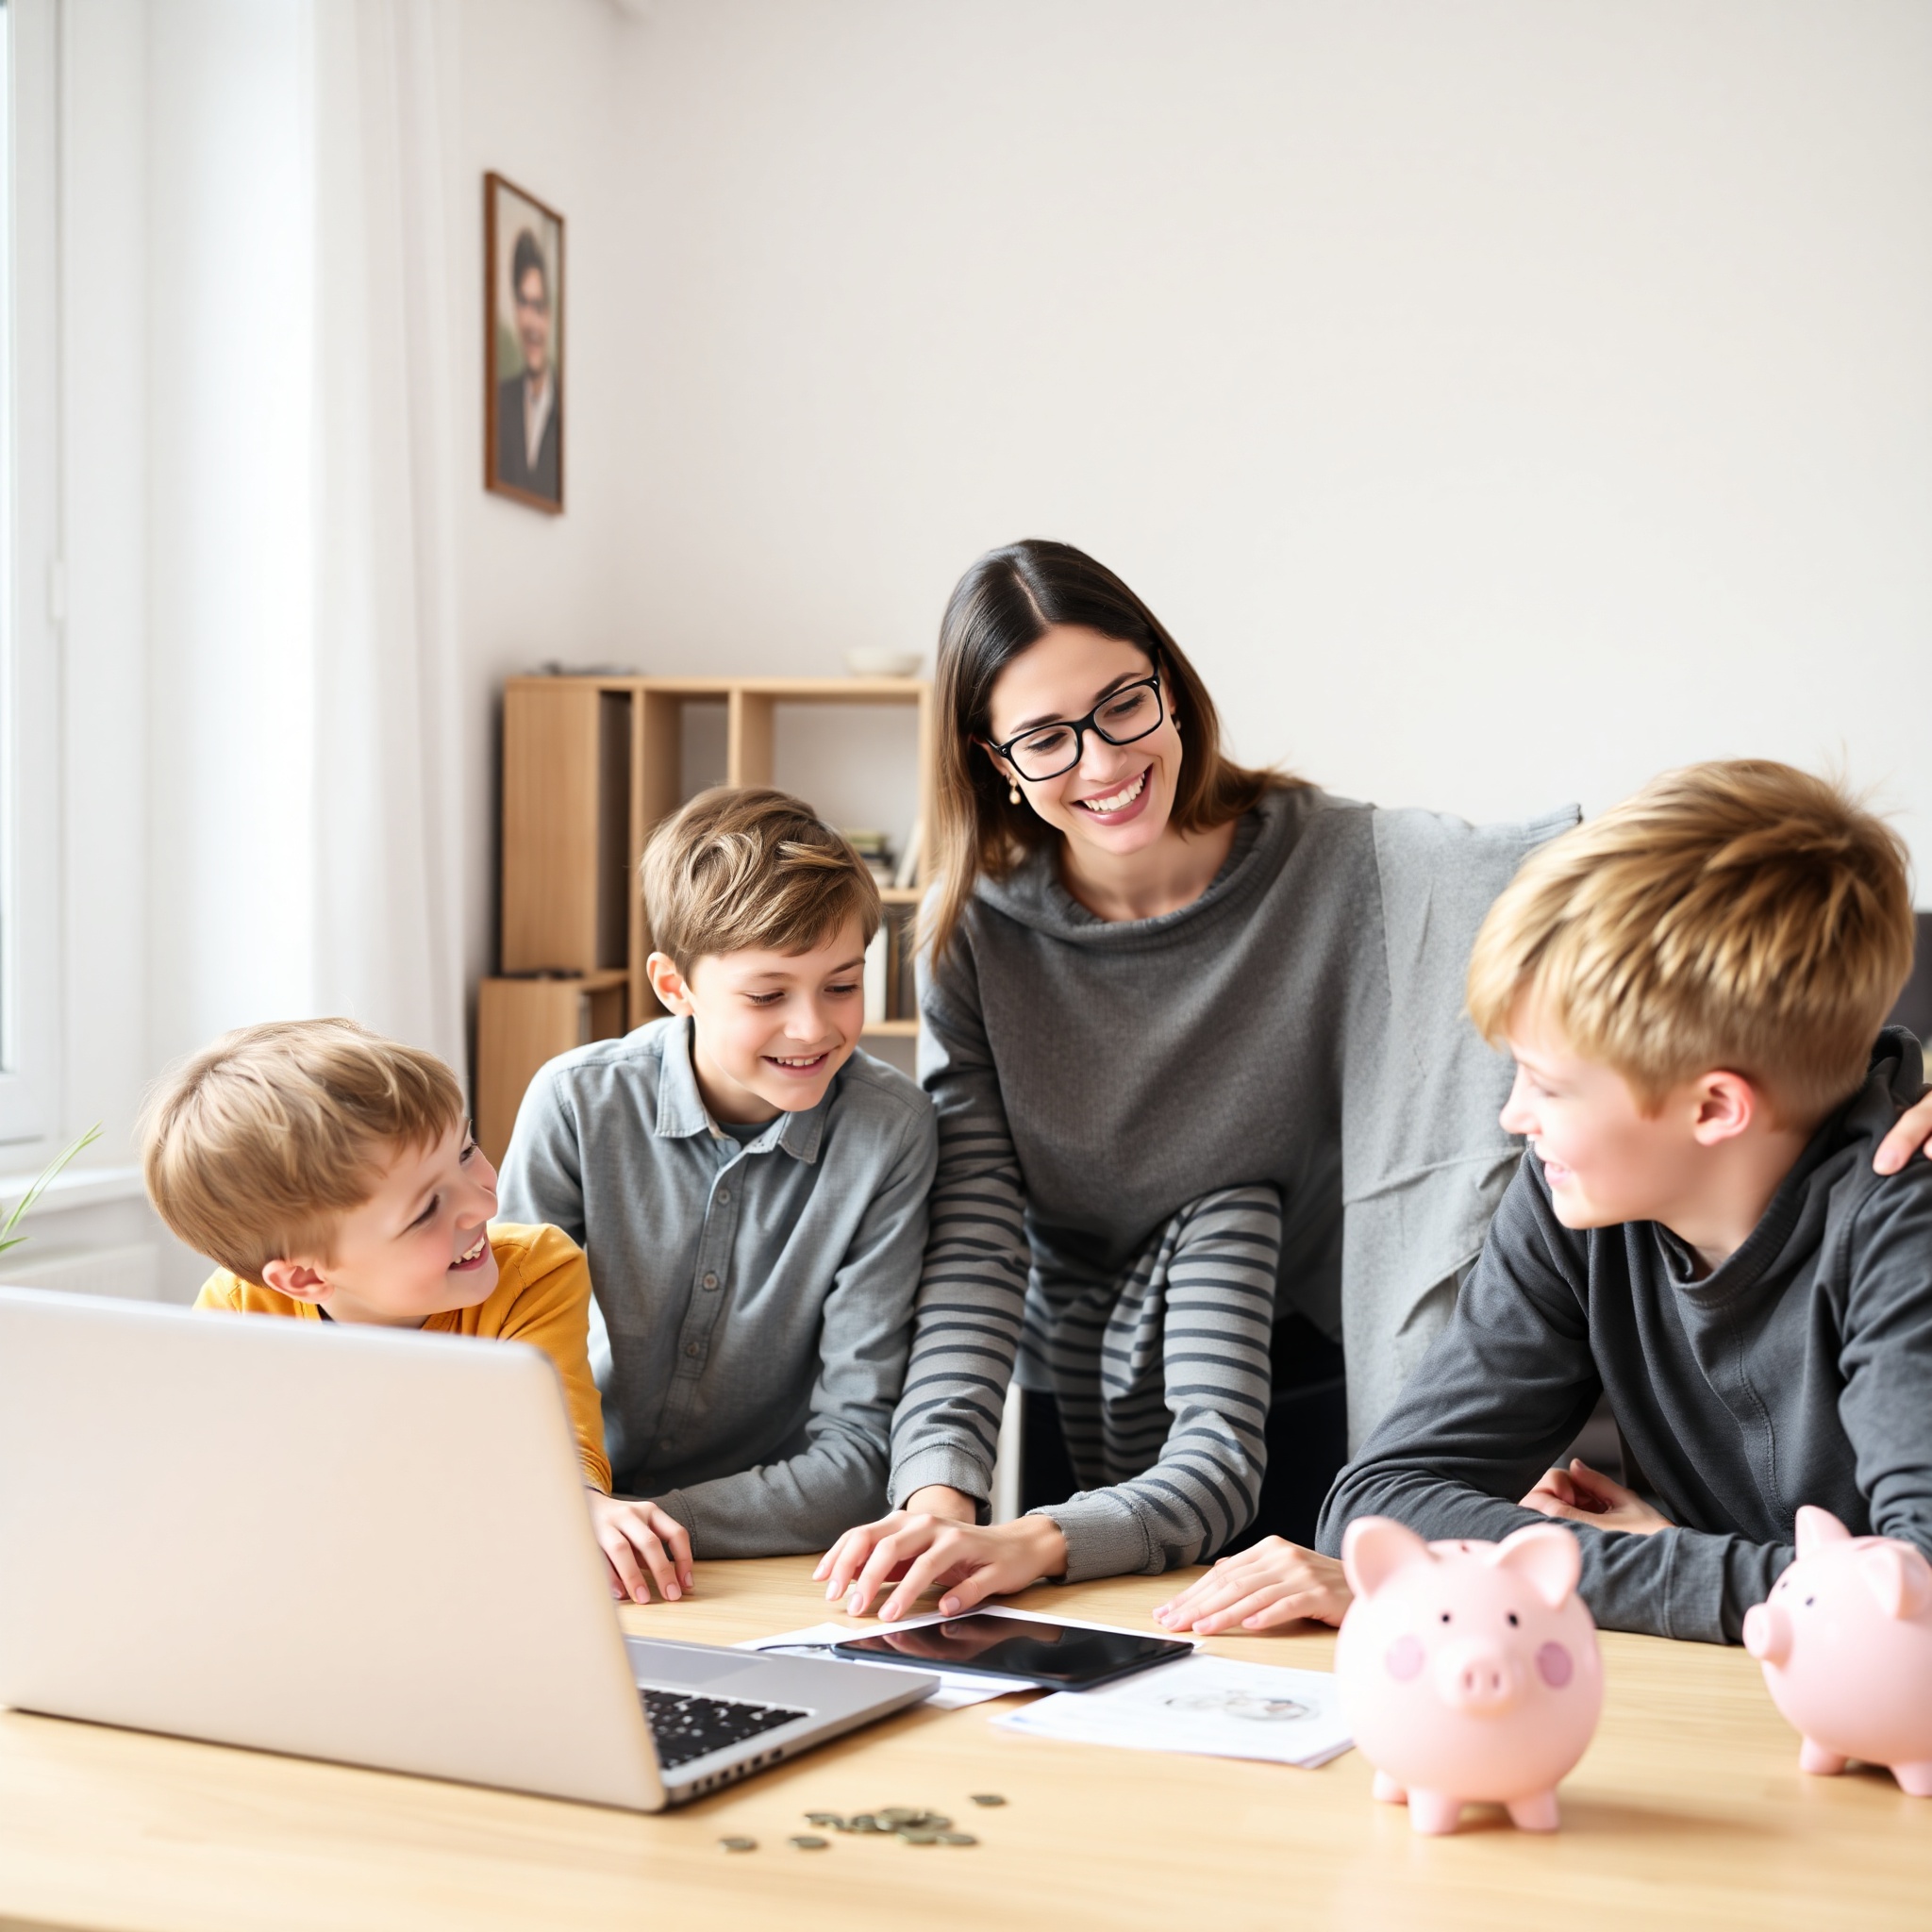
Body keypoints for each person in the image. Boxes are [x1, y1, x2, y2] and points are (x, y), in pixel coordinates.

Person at [817, 541, 1932, 1628]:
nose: (1101, 762)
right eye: (1046, 738)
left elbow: (1717, 960)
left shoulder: (1885, 1213)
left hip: (1298, 1350)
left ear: (1167, 682)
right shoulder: (1566, 1210)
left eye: (1121, 706)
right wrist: (937, 1487)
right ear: (989, 758)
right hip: (1075, 1362)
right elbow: (1381, 1506)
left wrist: (1611, 1565)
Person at [1168, 761, 1931, 1644]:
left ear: (1715, 1107)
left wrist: (1597, 1565)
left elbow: (1906, 1596)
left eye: (1549, 1085)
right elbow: (1377, 1506)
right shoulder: (1581, 1200)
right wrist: (1680, 1569)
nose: (1511, 1116)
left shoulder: (1899, 1229)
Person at [497, 788, 938, 1565]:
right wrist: (580, 1505)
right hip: (564, 1524)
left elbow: (858, 1459)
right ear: (676, 987)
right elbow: (511, 1370)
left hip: (767, 1550)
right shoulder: (575, 1102)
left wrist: (641, 1528)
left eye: (842, 984)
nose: (813, 1027)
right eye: (767, 995)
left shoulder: (889, 1131)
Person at [141, 1018, 691, 1606]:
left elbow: (560, 1441)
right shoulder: (240, 1309)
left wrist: (578, 1500)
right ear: (304, 1276)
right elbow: (231, 1482)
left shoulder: (534, 1272)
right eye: (428, 1207)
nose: (483, 1199)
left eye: (466, 1151)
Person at [495, 227, 559, 502]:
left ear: (550, 315)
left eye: (539, 306)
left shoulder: (567, 414)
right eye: (523, 303)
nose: (531, 322)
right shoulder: (499, 403)